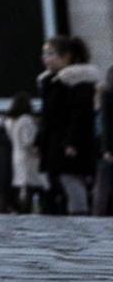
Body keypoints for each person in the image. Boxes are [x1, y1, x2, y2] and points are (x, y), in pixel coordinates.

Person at [34, 35, 99, 215]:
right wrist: (39, 140)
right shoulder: (50, 82)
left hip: (70, 143)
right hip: (53, 142)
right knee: (56, 182)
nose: (46, 58)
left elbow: (80, 115)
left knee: (71, 180)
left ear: (67, 56)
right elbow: (46, 116)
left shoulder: (79, 82)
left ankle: (80, 216)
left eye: (51, 54)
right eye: (45, 54)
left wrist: (72, 141)